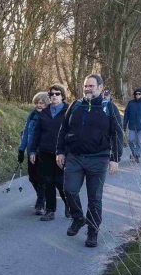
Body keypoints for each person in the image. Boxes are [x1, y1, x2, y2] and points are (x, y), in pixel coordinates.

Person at [56, 74, 124, 247]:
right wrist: (60, 151)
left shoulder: (109, 107)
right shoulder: (76, 105)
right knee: (69, 190)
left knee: (95, 198)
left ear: (100, 88)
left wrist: (115, 158)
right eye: (85, 86)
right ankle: (78, 218)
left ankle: (93, 231)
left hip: (98, 159)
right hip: (74, 157)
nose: (87, 89)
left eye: (91, 86)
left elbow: (117, 133)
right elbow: (64, 128)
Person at [29, 84, 70, 221]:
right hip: (45, 152)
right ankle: (50, 210)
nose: (54, 96)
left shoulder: (68, 111)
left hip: (62, 153)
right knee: (48, 181)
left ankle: (69, 205)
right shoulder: (44, 112)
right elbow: (37, 133)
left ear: (62, 96)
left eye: (57, 94)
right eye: (51, 94)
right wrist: (33, 150)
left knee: (60, 182)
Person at [18, 92, 49, 214]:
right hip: (31, 152)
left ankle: (40, 202)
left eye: (41, 103)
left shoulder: (49, 117)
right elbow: (26, 133)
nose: (39, 105)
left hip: (44, 152)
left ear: (47, 104)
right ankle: (42, 197)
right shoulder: (32, 116)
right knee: (32, 177)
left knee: (41, 178)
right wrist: (21, 149)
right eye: (37, 102)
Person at [122, 87, 141, 163]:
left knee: (139, 140)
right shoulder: (131, 103)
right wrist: (124, 124)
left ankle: (137, 155)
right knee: (131, 140)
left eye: (139, 94)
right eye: (136, 93)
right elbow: (126, 114)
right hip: (132, 125)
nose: (137, 95)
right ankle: (134, 153)